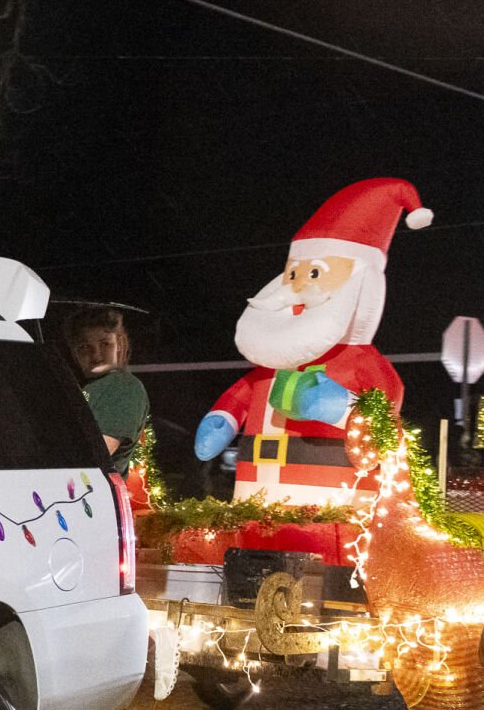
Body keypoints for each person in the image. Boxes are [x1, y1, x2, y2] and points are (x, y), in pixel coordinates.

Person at [193, 177, 418, 507]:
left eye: (315, 274)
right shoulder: (270, 363)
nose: (297, 287)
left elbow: (386, 411)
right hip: (253, 497)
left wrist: (339, 407)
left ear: (362, 283)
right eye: (293, 273)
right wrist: (223, 418)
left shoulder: (360, 361)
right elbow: (242, 395)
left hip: (327, 504)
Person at [66, 307, 148, 478]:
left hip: (90, 495)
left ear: (119, 344)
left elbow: (96, 453)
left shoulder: (123, 387)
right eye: (84, 347)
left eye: (104, 344)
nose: (96, 355)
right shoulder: (78, 386)